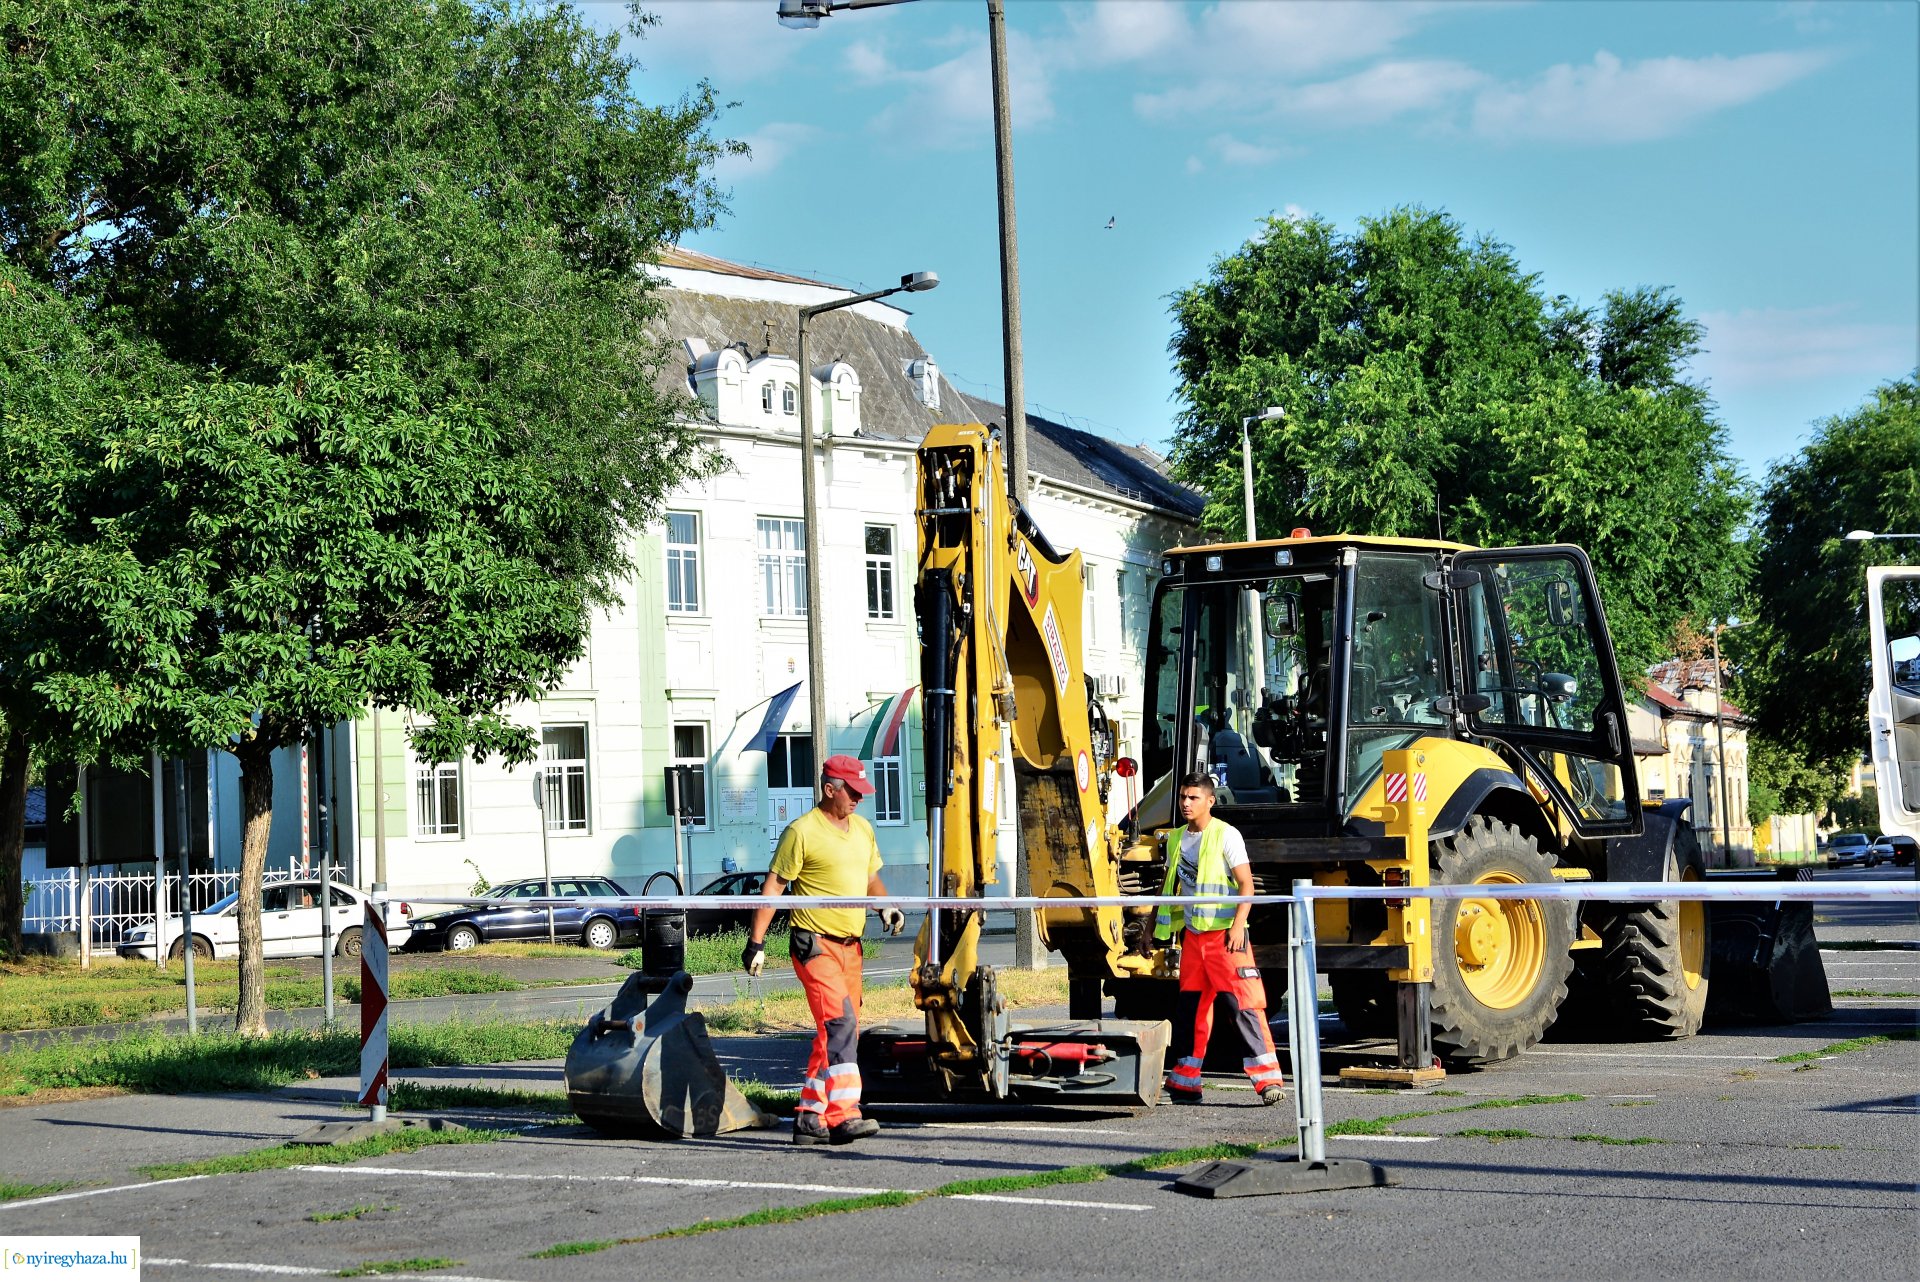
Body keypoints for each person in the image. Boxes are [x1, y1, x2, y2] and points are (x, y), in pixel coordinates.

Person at [743, 754, 906, 1145]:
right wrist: (756, 943)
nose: (859, 799)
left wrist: (885, 905)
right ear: (830, 789)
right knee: (840, 1026)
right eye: (853, 792)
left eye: (861, 792)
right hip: (814, 944)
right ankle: (843, 1115)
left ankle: (809, 1116)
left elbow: (870, 878)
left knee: (833, 1032)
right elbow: (774, 887)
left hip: (851, 947)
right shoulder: (802, 831)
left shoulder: (863, 829)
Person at [1151, 770, 1286, 1106]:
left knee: (1244, 1006)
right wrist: (1152, 927)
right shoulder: (1176, 838)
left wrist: (1239, 925)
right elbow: (1168, 887)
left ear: (1210, 801)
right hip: (1194, 938)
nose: (1186, 803)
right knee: (1191, 1011)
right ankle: (1185, 1081)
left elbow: (1246, 884)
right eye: (1183, 797)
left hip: (1226, 938)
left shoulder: (1227, 835)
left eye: (1193, 798)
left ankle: (1268, 1080)